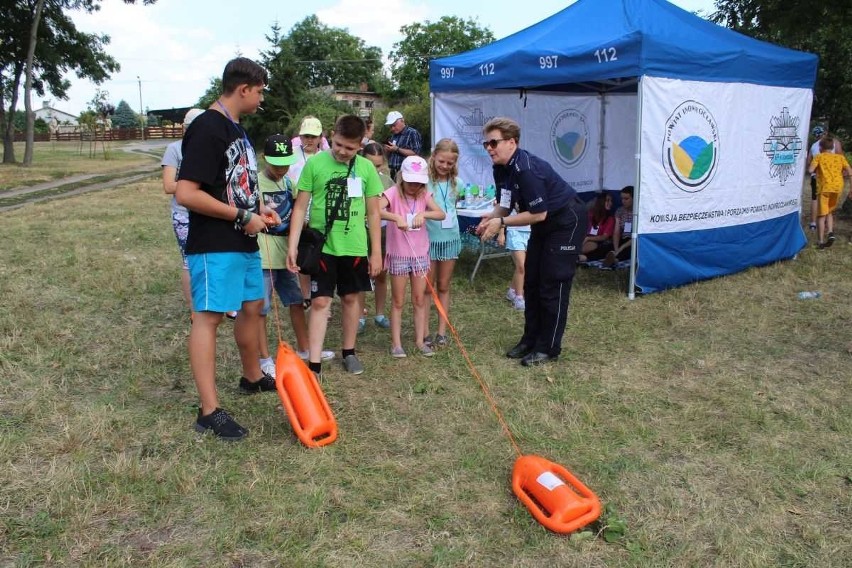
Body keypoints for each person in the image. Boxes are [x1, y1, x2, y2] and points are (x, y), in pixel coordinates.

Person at [175, 57, 281, 441]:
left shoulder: (237, 129)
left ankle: (252, 376)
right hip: (215, 243)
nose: (261, 99)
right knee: (209, 318)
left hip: (244, 237)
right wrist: (240, 215)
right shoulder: (207, 127)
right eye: (260, 92)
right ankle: (209, 411)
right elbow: (187, 193)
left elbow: (234, 184)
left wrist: (257, 209)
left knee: (254, 306)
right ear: (244, 89)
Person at [476, 117, 586, 367]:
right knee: (532, 282)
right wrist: (490, 219)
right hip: (543, 225)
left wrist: (501, 224)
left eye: (494, 142)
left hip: (565, 221)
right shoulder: (500, 168)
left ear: (512, 142)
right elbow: (504, 204)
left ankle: (548, 348)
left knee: (552, 284)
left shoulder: (526, 168)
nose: (489, 148)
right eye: (486, 144)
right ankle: (530, 340)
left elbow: (539, 213)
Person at [286, 115, 384, 378]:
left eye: (350, 148)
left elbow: (374, 213)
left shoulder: (365, 169)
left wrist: (376, 252)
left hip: (354, 248)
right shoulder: (315, 164)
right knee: (320, 302)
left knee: (352, 298)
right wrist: (293, 246)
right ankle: (314, 364)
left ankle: (349, 351)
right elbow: (300, 208)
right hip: (323, 247)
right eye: (339, 144)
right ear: (331, 135)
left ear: (360, 146)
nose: (342, 151)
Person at [255, 134, 335, 378]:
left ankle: (305, 348)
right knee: (262, 308)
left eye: (285, 164)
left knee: (296, 302)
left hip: (286, 255)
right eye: (276, 164)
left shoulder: (289, 184)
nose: (281, 169)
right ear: (264, 159)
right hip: (264, 255)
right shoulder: (255, 183)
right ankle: (264, 358)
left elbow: (297, 209)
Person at [380, 156, 446, 357]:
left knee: (419, 299)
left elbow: (441, 214)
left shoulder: (424, 195)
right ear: (401, 178)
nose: (414, 186)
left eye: (418, 183)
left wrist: (424, 215)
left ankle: (419, 341)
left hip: (419, 255)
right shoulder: (392, 193)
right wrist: (395, 217)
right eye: (410, 182)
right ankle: (396, 344)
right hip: (399, 254)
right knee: (398, 300)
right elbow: (375, 209)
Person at [161, 107, 205, 315]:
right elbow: (169, 185)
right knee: (190, 261)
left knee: (213, 258)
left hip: (208, 212)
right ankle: (194, 310)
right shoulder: (174, 149)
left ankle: (217, 304)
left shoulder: (211, 149)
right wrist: (195, 185)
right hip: (184, 214)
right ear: (186, 129)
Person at [424, 138, 464, 347]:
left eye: (450, 163)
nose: (445, 166)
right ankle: (425, 331)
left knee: (444, 285)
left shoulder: (457, 183)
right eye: (441, 161)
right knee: (426, 287)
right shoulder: (424, 181)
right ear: (434, 157)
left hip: (449, 240)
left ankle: (442, 331)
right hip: (429, 240)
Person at [358, 142, 393, 331]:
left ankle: (379, 314)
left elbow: (394, 204)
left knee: (381, 274)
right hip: (360, 232)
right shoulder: (354, 179)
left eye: (378, 165)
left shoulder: (387, 181)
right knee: (361, 274)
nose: (374, 169)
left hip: (383, 232)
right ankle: (359, 315)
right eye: (370, 164)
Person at [808, 134, 851, 249]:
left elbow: (810, 169)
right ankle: (830, 232)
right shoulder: (840, 158)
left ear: (821, 148)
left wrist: (816, 168)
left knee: (821, 215)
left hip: (824, 189)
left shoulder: (819, 157)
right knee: (830, 211)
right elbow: (850, 171)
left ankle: (820, 241)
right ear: (832, 147)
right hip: (837, 188)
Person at [807, 125, 844, 231]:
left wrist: (815, 170)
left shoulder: (813, 146)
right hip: (832, 178)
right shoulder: (834, 142)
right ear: (825, 132)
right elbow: (840, 157)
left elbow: (809, 162)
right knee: (829, 200)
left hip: (816, 177)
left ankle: (813, 223)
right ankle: (828, 223)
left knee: (815, 199)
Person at [497, 207, 531, 311]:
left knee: (522, 266)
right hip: (514, 231)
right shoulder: (513, 192)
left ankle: (512, 291)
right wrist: (501, 233)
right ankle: (519, 298)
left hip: (531, 231)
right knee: (521, 265)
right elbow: (503, 211)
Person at [383, 110, 422, 180]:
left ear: (402, 121)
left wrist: (397, 149)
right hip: (393, 172)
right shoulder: (394, 136)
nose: (392, 128)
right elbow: (389, 156)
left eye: (394, 125)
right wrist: (388, 150)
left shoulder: (412, 133)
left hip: (407, 172)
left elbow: (416, 153)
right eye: (390, 126)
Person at [604, 186, 634, 268]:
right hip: (623, 238)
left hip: (633, 240)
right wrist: (616, 248)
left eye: (626, 199)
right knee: (606, 247)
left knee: (631, 249)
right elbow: (616, 232)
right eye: (622, 199)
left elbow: (638, 235)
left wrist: (621, 248)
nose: (623, 201)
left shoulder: (639, 211)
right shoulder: (619, 211)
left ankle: (615, 259)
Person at [580, 192, 615, 262]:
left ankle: (580, 257)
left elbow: (604, 237)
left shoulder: (610, 218)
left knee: (597, 246)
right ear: (601, 201)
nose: (610, 203)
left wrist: (588, 238)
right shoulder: (591, 214)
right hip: (585, 239)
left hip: (598, 242)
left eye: (611, 201)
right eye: (607, 200)